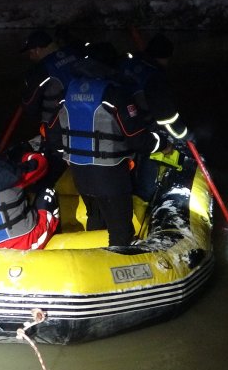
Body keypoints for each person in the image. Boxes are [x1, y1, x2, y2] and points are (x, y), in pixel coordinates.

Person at [45, 56, 171, 247]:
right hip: (110, 174)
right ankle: (117, 264)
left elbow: (52, 133)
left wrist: (67, 154)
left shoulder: (67, 93)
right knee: (120, 228)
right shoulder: (114, 95)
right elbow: (137, 138)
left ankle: (94, 257)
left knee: (94, 216)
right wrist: (162, 144)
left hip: (79, 172)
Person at [120, 32, 191, 201]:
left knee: (126, 161)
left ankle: (128, 191)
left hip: (118, 121)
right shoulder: (155, 77)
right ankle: (145, 197)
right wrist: (184, 136)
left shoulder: (130, 63)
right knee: (149, 154)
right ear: (165, 57)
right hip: (140, 125)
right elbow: (167, 117)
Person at [19, 29, 82, 189]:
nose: (31, 57)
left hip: (58, 127)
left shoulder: (41, 70)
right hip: (89, 117)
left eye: (30, 53)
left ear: (37, 50)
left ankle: (48, 199)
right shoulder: (75, 53)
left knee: (54, 166)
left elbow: (30, 106)